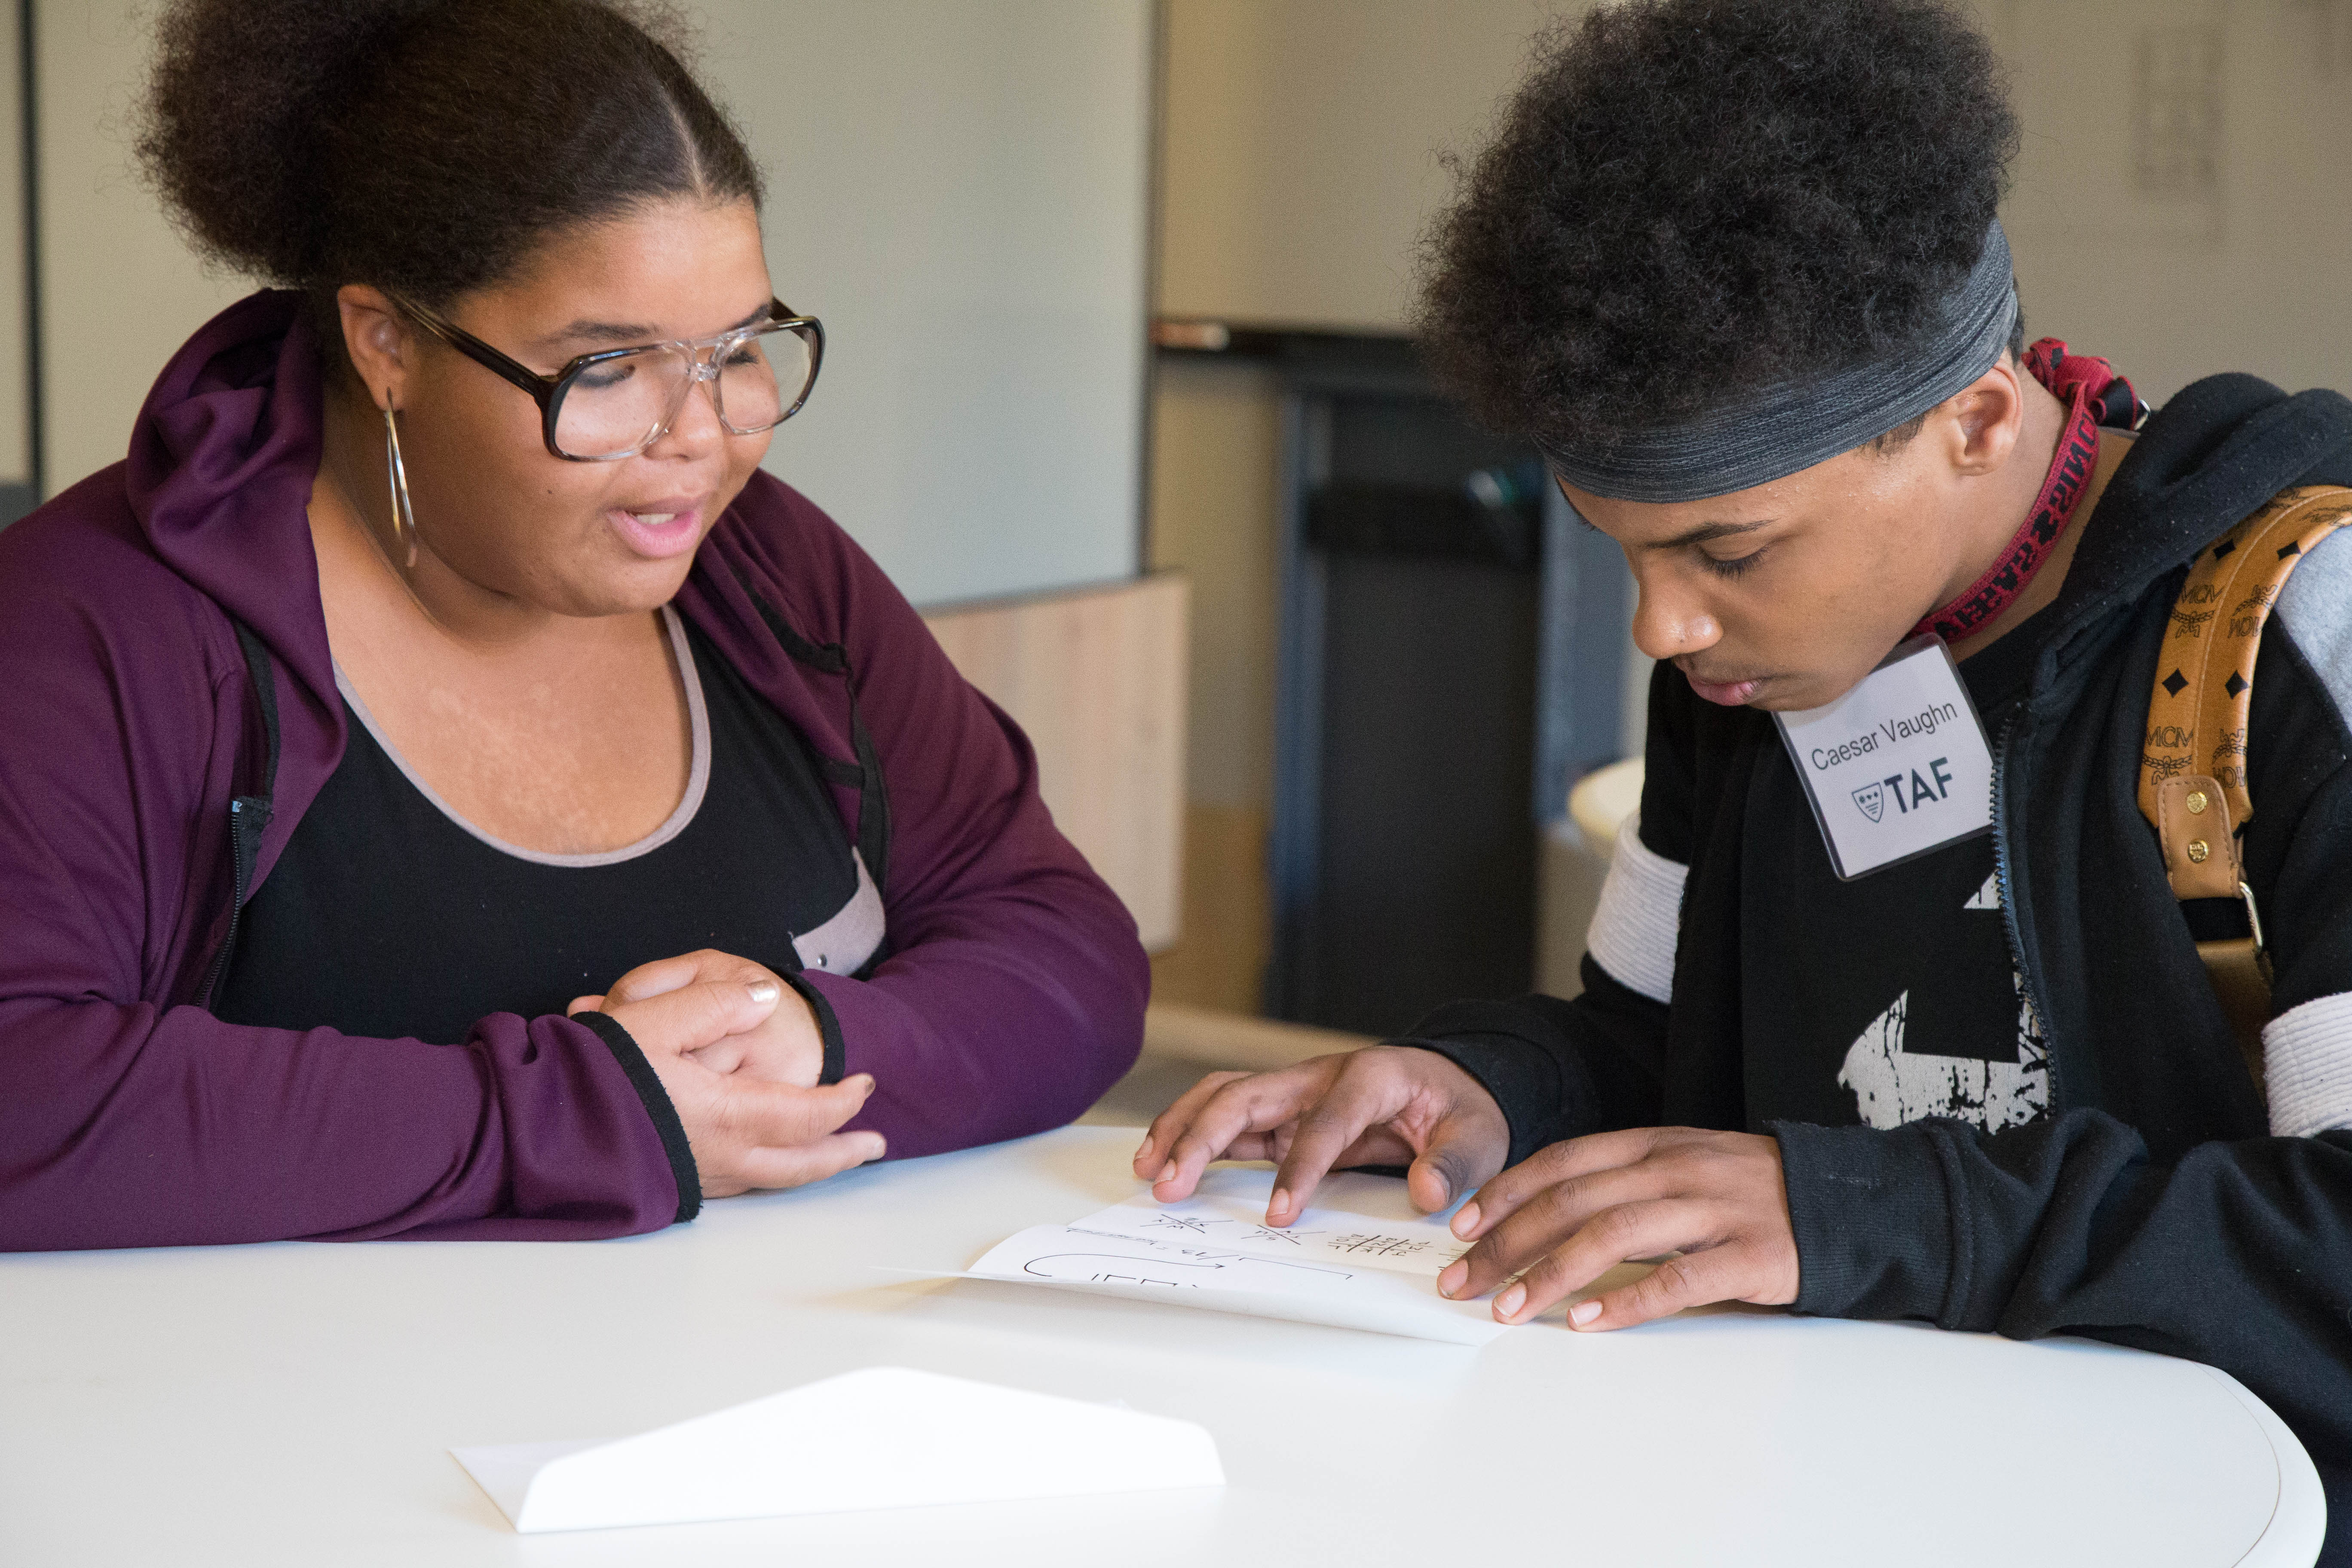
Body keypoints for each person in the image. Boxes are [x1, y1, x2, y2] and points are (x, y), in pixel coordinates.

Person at [1139, 0, 2352, 1551]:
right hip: (1789, 1495)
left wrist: (1862, 1212)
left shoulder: (2293, 636)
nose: (1665, 625)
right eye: (1622, 550)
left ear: (1975, 420)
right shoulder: (1745, 672)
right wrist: (1481, 1086)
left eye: (1729, 551)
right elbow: (1647, 1051)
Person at [0, 0, 1146, 1248]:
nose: (698, 440)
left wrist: (822, 1039)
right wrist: (585, 1110)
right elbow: (27, 1087)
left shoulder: (766, 571)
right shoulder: (104, 626)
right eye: (609, 369)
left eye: (739, 352)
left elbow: (1067, 952)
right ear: (387, 343)